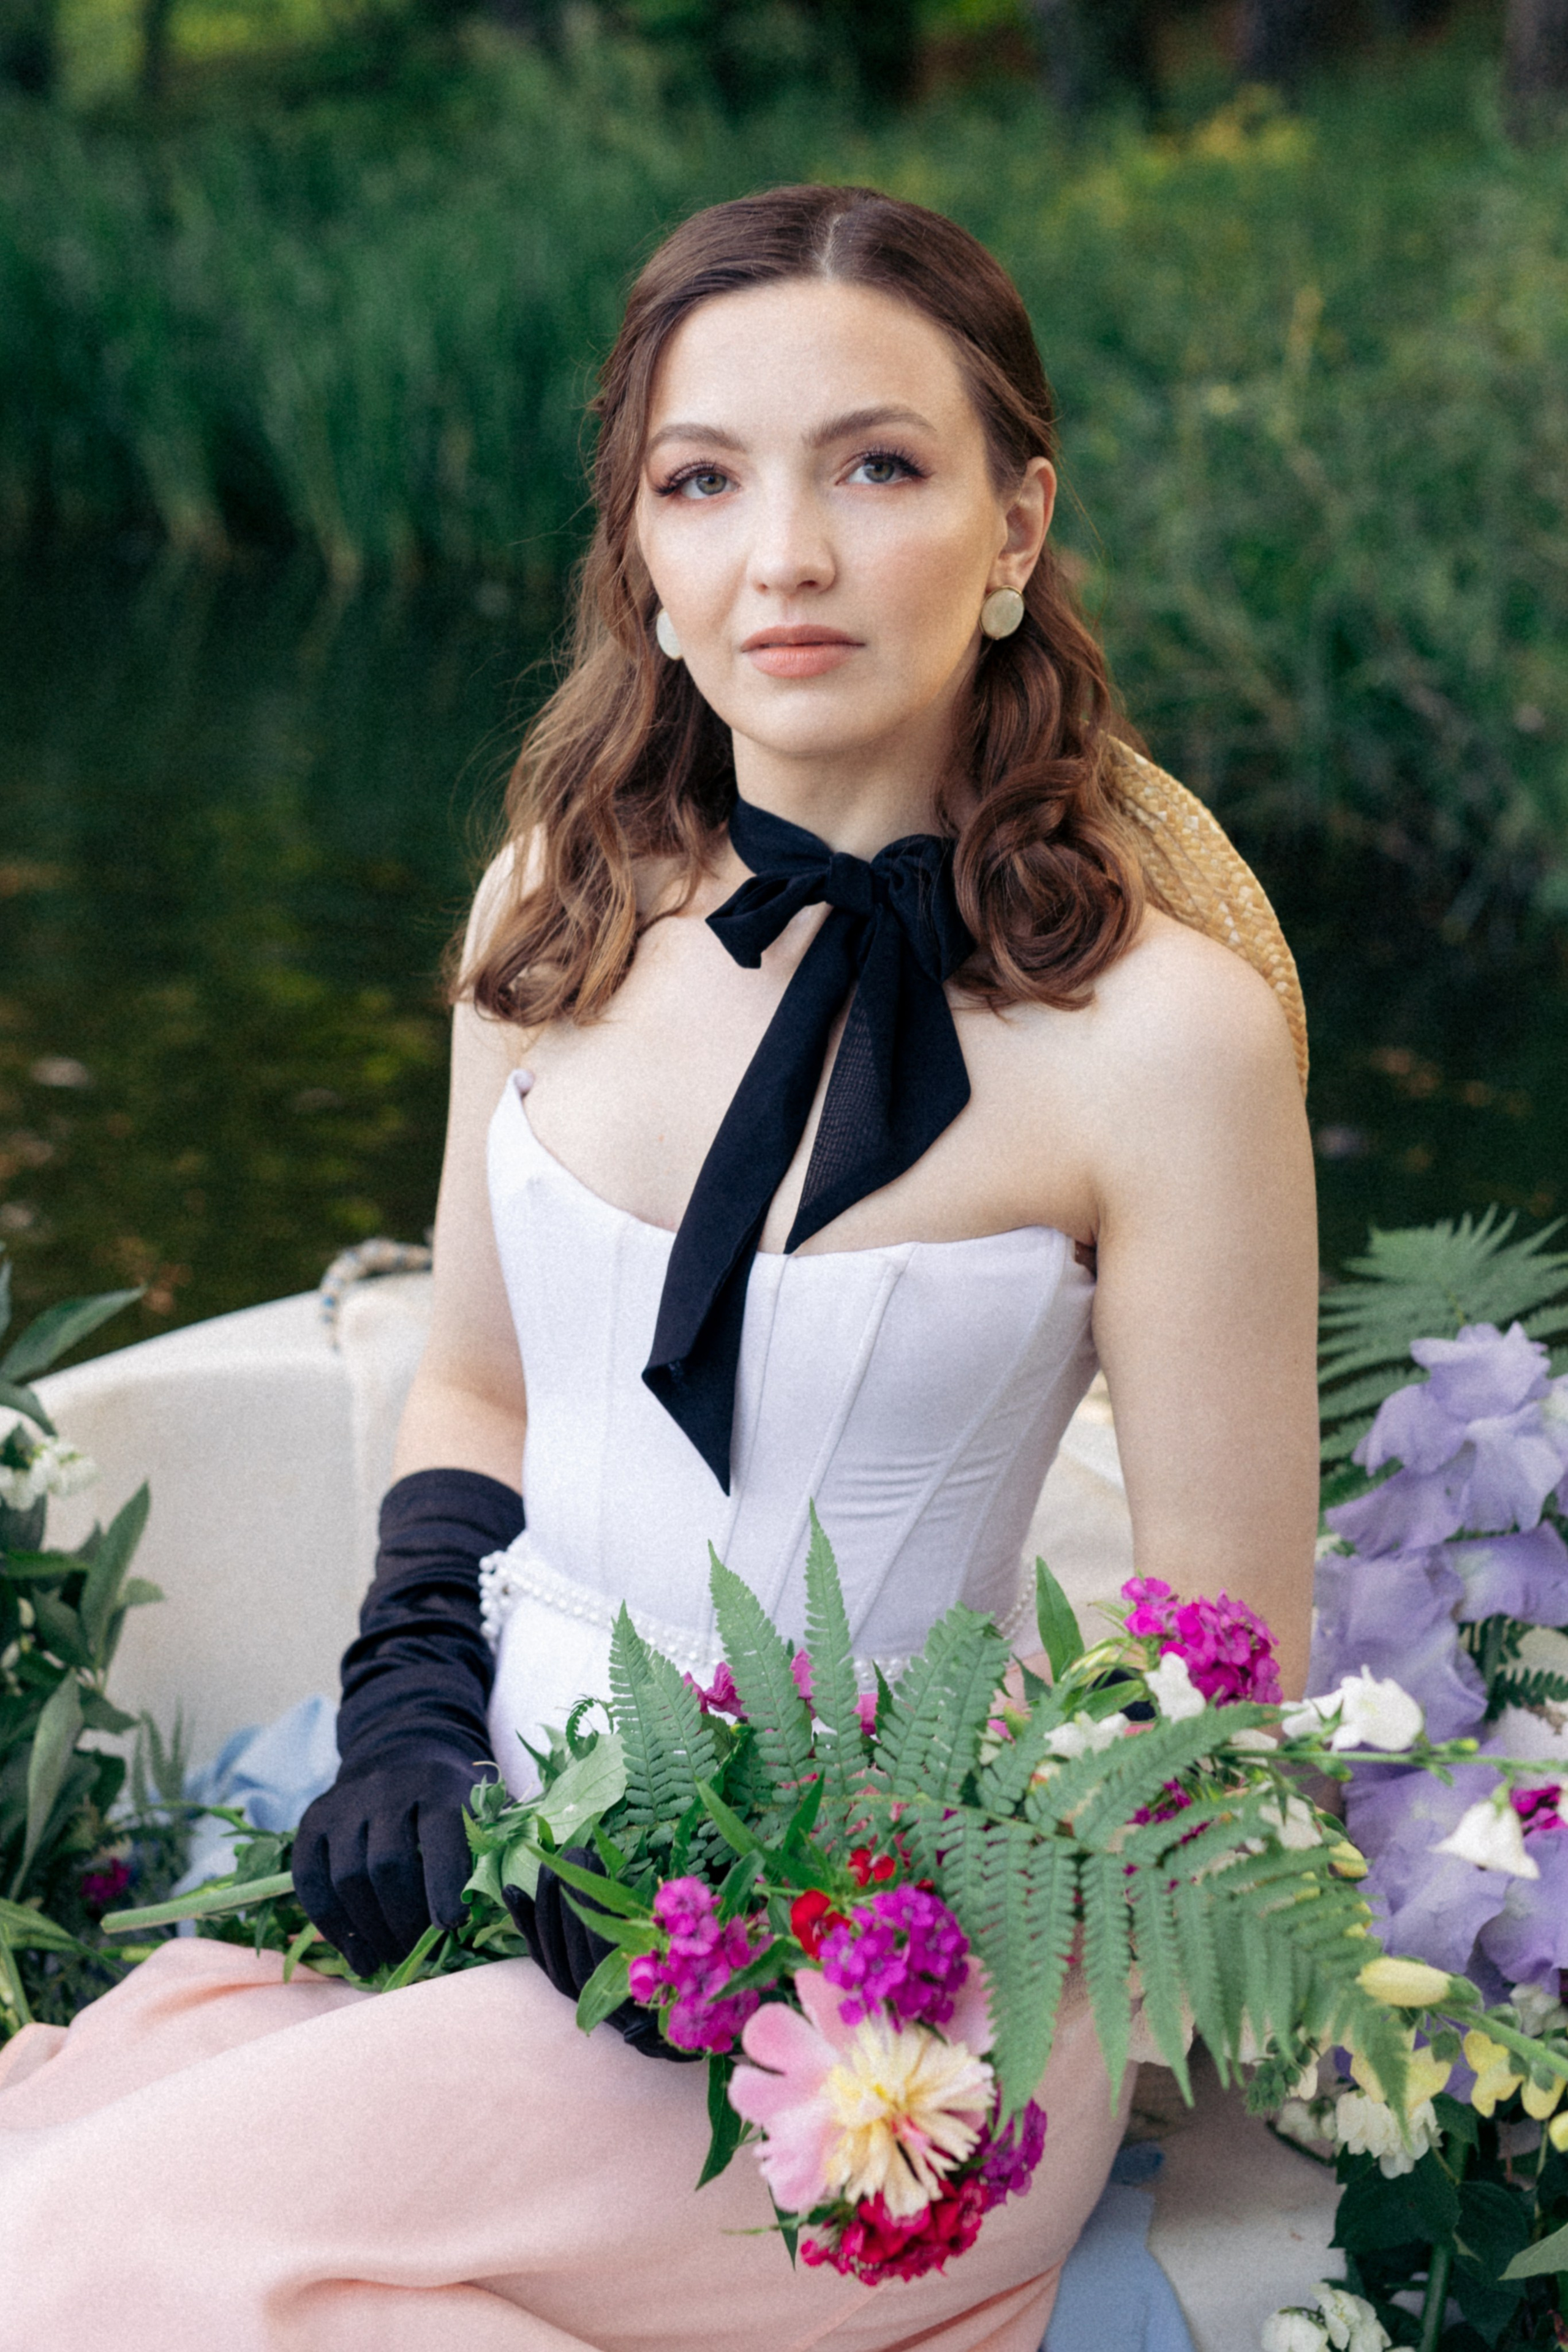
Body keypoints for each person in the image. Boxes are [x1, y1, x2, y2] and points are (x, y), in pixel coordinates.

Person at [0, 184, 1318, 2351]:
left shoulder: (1167, 1042)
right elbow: (481, 1392)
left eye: (877, 466)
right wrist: (409, 1722)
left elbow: (1222, 1671)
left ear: (1014, 529)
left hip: (899, 1999)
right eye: (703, 482)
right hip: (498, 1843)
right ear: (644, 553)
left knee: (78, 2257)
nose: (781, 555)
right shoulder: (556, 901)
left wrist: (891, 1891)